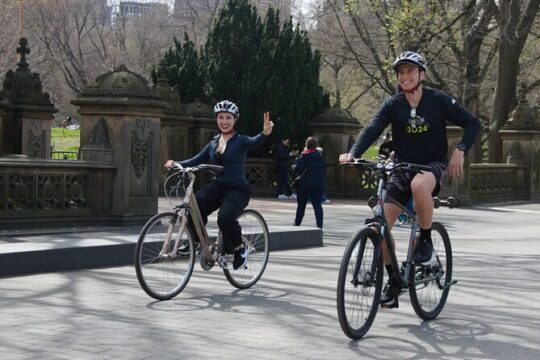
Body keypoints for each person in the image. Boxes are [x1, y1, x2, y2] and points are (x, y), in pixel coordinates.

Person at [339, 51, 481, 308]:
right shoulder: (393, 105)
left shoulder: (437, 100)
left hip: (431, 166)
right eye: (401, 72)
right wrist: (353, 153)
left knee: (419, 186)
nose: (405, 76)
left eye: (410, 71)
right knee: (379, 226)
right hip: (402, 168)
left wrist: (460, 150)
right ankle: (393, 281)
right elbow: (372, 128)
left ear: (421, 75)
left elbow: (472, 123)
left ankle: (425, 238)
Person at [165, 100, 274, 270]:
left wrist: (265, 133)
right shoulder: (213, 142)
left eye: (228, 118)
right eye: (221, 117)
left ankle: (240, 248)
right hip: (218, 186)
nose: (224, 121)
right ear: (217, 119)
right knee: (195, 204)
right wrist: (176, 164)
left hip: (237, 189)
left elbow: (254, 141)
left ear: (235, 120)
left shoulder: (241, 141)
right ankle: (195, 240)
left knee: (225, 217)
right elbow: (195, 160)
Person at [293, 136, 326, 228]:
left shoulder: (303, 155)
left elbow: (298, 169)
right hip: (318, 184)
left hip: (305, 185)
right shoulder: (320, 155)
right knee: (317, 206)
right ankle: (319, 226)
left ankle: (297, 224)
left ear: (306, 144)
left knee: (301, 206)